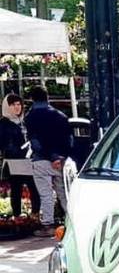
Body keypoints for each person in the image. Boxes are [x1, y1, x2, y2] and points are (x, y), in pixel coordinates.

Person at [24, 86, 71, 231]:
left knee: (46, 195)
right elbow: (69, 140)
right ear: (47, 97)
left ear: (32, 98)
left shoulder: (30, 117)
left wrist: (50, 156)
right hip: (61, 161)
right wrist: (59, 157)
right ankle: (71, 220)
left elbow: (36, 142)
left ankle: (48, 224)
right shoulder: (60, 116)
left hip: (41, 160)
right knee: (63, 192)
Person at [1, 93, 41, 220]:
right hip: (14, 162)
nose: (17, 107)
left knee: (34, 189)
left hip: (29, 160)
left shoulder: (25, 121)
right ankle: (17, 216)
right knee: (16, 190)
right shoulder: (3, 124)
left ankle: (35, 214)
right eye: (13, 105)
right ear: (7, 107)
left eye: (19, 104)